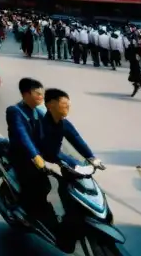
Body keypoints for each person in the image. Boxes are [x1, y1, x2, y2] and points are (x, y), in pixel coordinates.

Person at [36, 88, 104, 249]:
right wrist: (44, 163)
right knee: (44, 190)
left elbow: (77, 139)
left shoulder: (64, 124)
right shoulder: (39, 125)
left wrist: (92, 158)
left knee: (80, 176)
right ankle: (42, 220)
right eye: (64, 104)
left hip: (55, 157)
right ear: (51, 105)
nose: (67, 108)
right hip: (37, 160)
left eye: (68, 105)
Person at [5, 78, 50, 224]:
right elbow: (22, 135)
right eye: (37, 93)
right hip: (22, 156)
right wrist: (35, 155)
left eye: (42, 93)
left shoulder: (38, 111)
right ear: (25, 94)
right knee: (36, 182)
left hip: (39, 153)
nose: (41, 96)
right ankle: (23, 211)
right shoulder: (14, 111)